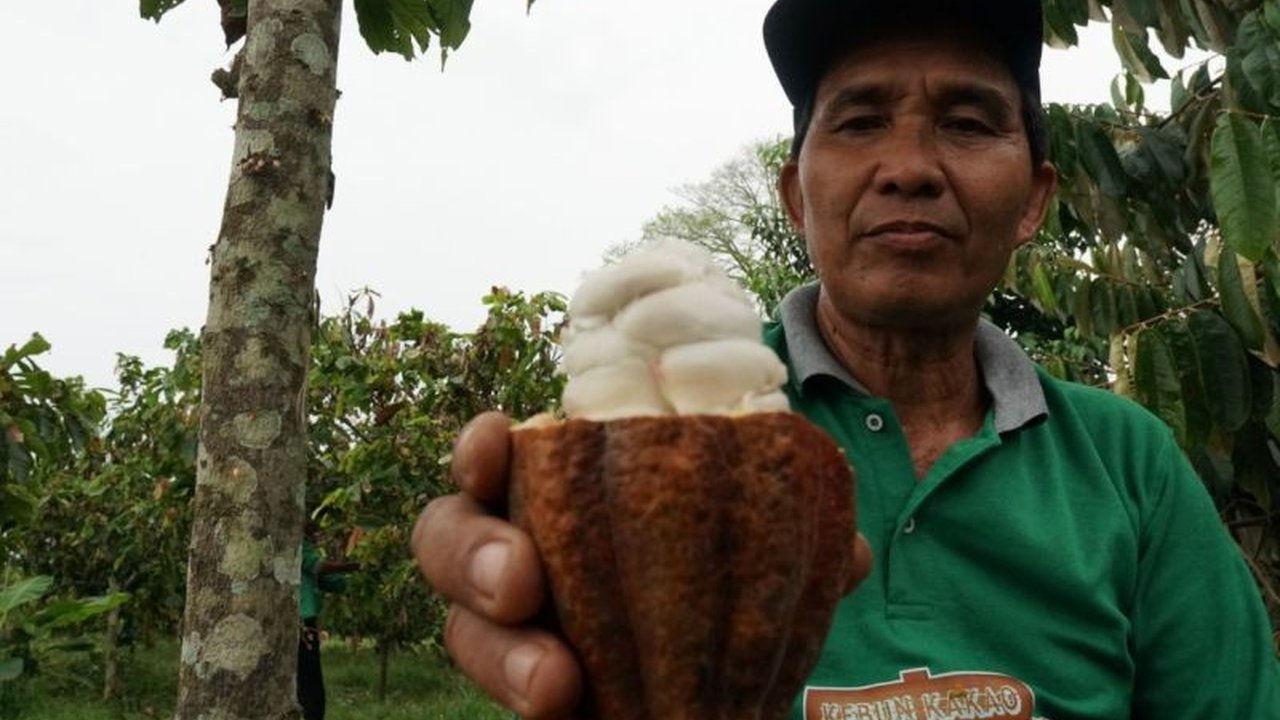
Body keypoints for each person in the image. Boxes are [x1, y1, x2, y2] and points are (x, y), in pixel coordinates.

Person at [412, 0, 1280, 717]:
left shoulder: (1129, 463)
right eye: (860, 121)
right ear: (795, 196)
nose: (908, 168)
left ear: (1034, 201)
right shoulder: (667, 422)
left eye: (968, 123)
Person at [298, 519, 360, 720]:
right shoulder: (297, 546)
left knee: (308, 681)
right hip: (301, 624)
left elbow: (332, 582)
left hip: (306, 624)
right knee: (310, 682)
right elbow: (320, 568)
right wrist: (354, 566)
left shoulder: (303, 549)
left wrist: (359, 579)